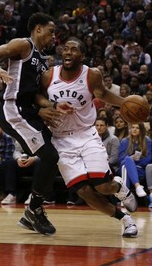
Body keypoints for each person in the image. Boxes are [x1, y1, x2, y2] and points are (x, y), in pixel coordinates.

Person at [38, 38, 139, 237]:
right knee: (84, 192)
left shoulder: (91, 74)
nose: (67, 52)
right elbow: (38, 97)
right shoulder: (49, 75)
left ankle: (119, 188)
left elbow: (103, 93)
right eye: (65, 49)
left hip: (86, 135)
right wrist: (46, 107)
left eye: (73, 50)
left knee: (102, 186)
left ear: (82, 56)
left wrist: (125, 103)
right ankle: (125, 220)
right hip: (60, 140)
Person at [0, 12, 69, 236]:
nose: (54, 37)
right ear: (38, 29)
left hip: (29, 111)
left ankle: (34, 209)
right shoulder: (23, 44)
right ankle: (34, 209)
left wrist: (46, 106)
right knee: (50, 156)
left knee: (53, 154)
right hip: (13, 109)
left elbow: (36, 93)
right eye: (51, 32)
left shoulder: (43, 59)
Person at [119, 123, 152, 197]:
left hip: (139, 168)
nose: (134, 129)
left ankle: (125, 197)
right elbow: (120, 159)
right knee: (127, 161)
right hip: (124, 166)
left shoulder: (147, 141)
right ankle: (137, 186)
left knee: (126, 167)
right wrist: (131, 159)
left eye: (137, 128)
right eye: (132, 127)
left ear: (142, 130)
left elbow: (148, 159)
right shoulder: (124, 141)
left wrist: (137, 160)